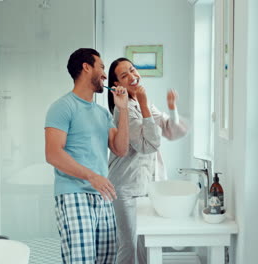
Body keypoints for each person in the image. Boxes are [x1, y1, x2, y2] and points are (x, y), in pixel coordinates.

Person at [45, 48, 129, 263]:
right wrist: (92, 177)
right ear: (86, 67)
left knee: (106, 259)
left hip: (102, 195)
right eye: (101, 66)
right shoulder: (63, 107)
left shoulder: (102, 113)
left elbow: (120, 149)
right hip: (74, 194)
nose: (104, 73)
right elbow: (53, 154)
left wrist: (123, 110)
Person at [107, 57, 188, 264]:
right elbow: (148, 145)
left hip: (145, 186)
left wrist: (172, 108)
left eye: (133, 70)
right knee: (129, 245)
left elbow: (172, 131)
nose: (133, 77)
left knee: (145, 242)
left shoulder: (144, 103)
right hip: (126, 187)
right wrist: (143, 104)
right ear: (116, 85)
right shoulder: (123, 111)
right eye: (124, 75)